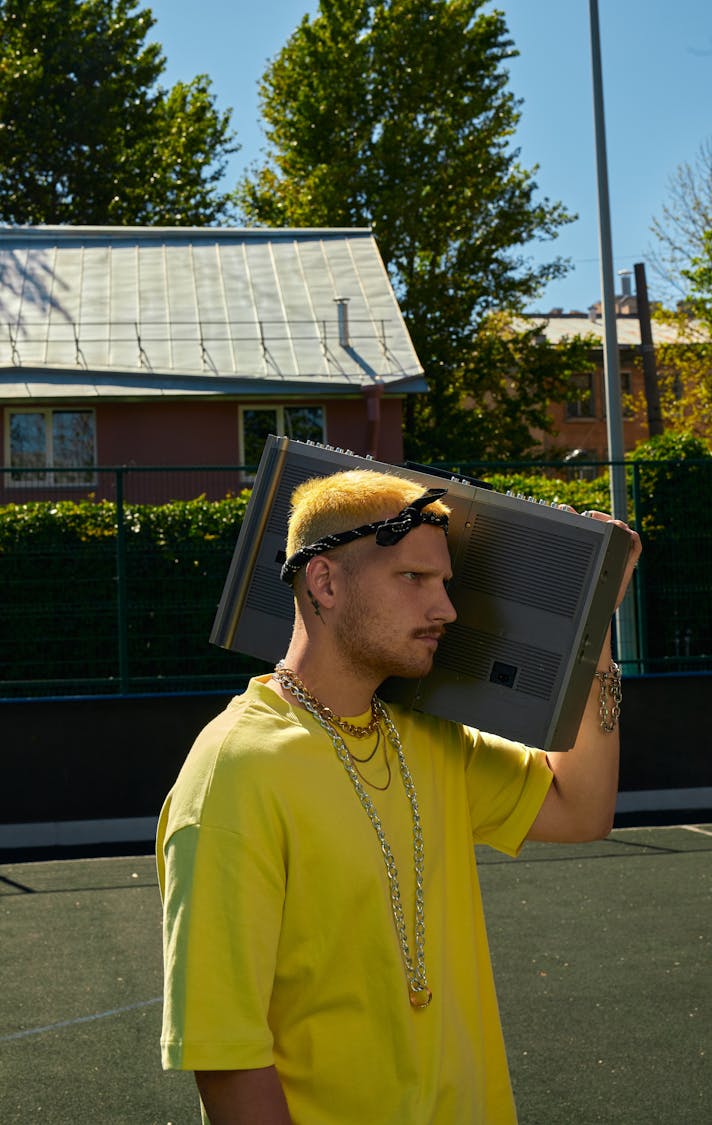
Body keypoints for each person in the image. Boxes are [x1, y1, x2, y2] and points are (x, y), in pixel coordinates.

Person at [157, 468, 641, 1125]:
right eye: (414, 579)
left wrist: (593, 625)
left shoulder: (428, 740)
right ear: (325, 582)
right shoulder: (236, 770)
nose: (445, 608)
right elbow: (228, 1055)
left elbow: (581, 809)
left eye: (444, 582)